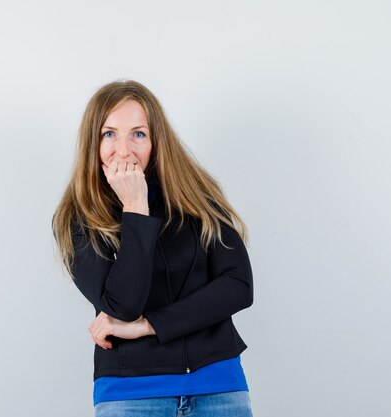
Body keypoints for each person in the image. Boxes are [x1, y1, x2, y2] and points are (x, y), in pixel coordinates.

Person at [52, 80, 255, 417]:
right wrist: (135, 208)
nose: (124, 150)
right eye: (109, 134)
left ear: (156, 141)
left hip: (218, 387)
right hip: (131, 395)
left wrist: (149, 326)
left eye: (138, 134)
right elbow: (123, 305)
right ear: (93, 142)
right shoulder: (79, 218)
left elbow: (238, 287)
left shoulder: (195, 199)